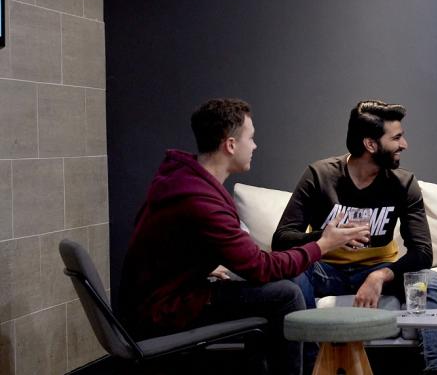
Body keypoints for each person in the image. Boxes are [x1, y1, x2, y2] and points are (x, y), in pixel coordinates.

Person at [119, 98, 371, 375]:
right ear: (230, 145)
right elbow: (260, 268)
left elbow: (171, 245)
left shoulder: (182, 178)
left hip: (164, 295)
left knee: (279, 287)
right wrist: (323, 244)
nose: (254, 146)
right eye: (250, 138)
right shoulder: (200, 199)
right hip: (162, 310)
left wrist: (200, 265)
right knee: (285, 295)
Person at [272, 100, 437, 375]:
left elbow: (422, 253)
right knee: (293, 277)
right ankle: (310, 368)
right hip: (325, 270)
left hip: (378, 268)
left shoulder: (403, 183)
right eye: (397, 137)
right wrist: (326, 238)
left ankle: (436, 370)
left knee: (430, 281)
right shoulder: (320, 176)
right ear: (370, 144)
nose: (405, 144)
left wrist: (380, 276)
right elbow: (281, 239)